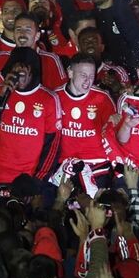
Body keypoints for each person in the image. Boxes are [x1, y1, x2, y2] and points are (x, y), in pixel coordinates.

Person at [0, 47, 61, 187]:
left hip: (30, 176)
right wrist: (2, 96)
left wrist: (38, 178)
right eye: (16, 72)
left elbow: (52, 143)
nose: (19, 77)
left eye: (24, 73)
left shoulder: (49, 98)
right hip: (1, 174)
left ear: (33, 73)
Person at [54, 53, 117, 184]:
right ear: (70, 73)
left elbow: (113, 133)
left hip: (96, 162)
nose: (88, 81)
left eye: (91, 76)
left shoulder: (102, 98)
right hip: (64, 162)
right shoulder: (55, 97)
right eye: (83, 75)